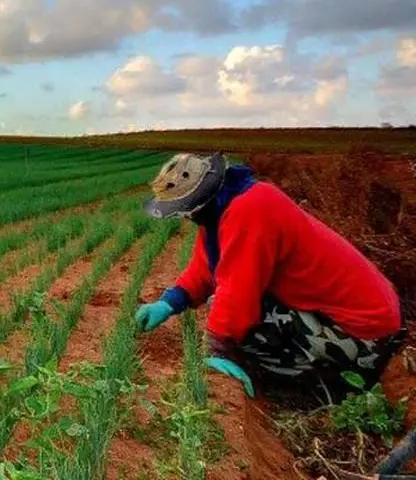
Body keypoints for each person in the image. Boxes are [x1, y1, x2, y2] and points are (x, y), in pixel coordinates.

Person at [137, 152, 406, 398]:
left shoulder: (249, 210)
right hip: (354, 316)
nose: (185, 217)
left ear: (198, 200)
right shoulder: (226, 205)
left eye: (184, 209)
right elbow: (206, 268)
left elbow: (238, 292)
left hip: (365, 333)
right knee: (232, 313)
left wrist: (217, 350)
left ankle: (328, 388)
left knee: (250, 325)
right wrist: (169, 302)